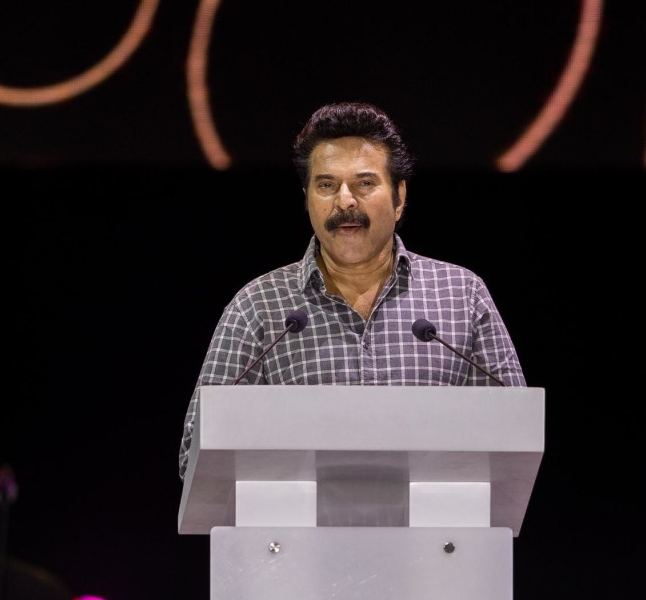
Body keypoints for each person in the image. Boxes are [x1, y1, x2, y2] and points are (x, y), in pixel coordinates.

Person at [176, 101, 527, 478]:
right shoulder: (258, 306)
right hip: (295, 536)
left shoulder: (462, 295)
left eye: (365, 183)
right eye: (326, 185)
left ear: (400, 197)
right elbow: (197, 452)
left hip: (436, 535)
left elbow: (516, 435)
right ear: (307, 197)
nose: (345, 201)